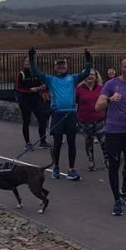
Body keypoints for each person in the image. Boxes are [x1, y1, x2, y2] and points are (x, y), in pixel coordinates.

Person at [29, 48, 93, 181]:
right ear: (55, 68)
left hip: (70, 115)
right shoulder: (51, 79)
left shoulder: (73, 78)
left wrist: (88, 60)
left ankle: (71, 169)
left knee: (71, 143)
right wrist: (32, 58)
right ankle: (56, 167)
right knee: (57, 143)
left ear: (66, 66)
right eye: (59, 65)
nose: (61, 66)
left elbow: (86, 73)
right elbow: (36, 72)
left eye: (63, 64)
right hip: (58, 114)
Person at [95, 57, 126, 216]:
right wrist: (110, 99)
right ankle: (116, 199)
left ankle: (124, 191)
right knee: (114, 166)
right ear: (121, 68)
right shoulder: (111, 85)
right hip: (113, 132)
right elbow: (97, 107)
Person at [14, 57, 51, 150]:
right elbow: (18, 88)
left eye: (30, 62)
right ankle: (28, 143)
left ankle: (43, 141)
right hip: (25, 101)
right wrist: (30, 90)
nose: (28, 63)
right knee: (26, 121)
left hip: (35, 100)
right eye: (27, 61)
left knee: (42, 119)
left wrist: (42, 87)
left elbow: (41, 84)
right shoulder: (21, 74)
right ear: (24, 63)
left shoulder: (36, 74)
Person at [75, 69, 106, 171]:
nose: (90, 76)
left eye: (92, 75)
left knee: (103, 141)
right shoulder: (79, 89)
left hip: (99, 118)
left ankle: (107, 160)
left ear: (96, 77)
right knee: (89, 141)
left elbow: (106, 101)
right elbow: (74, 102)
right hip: (85, 119)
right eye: (88, 75)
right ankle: (90, 160)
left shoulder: (101, 88)